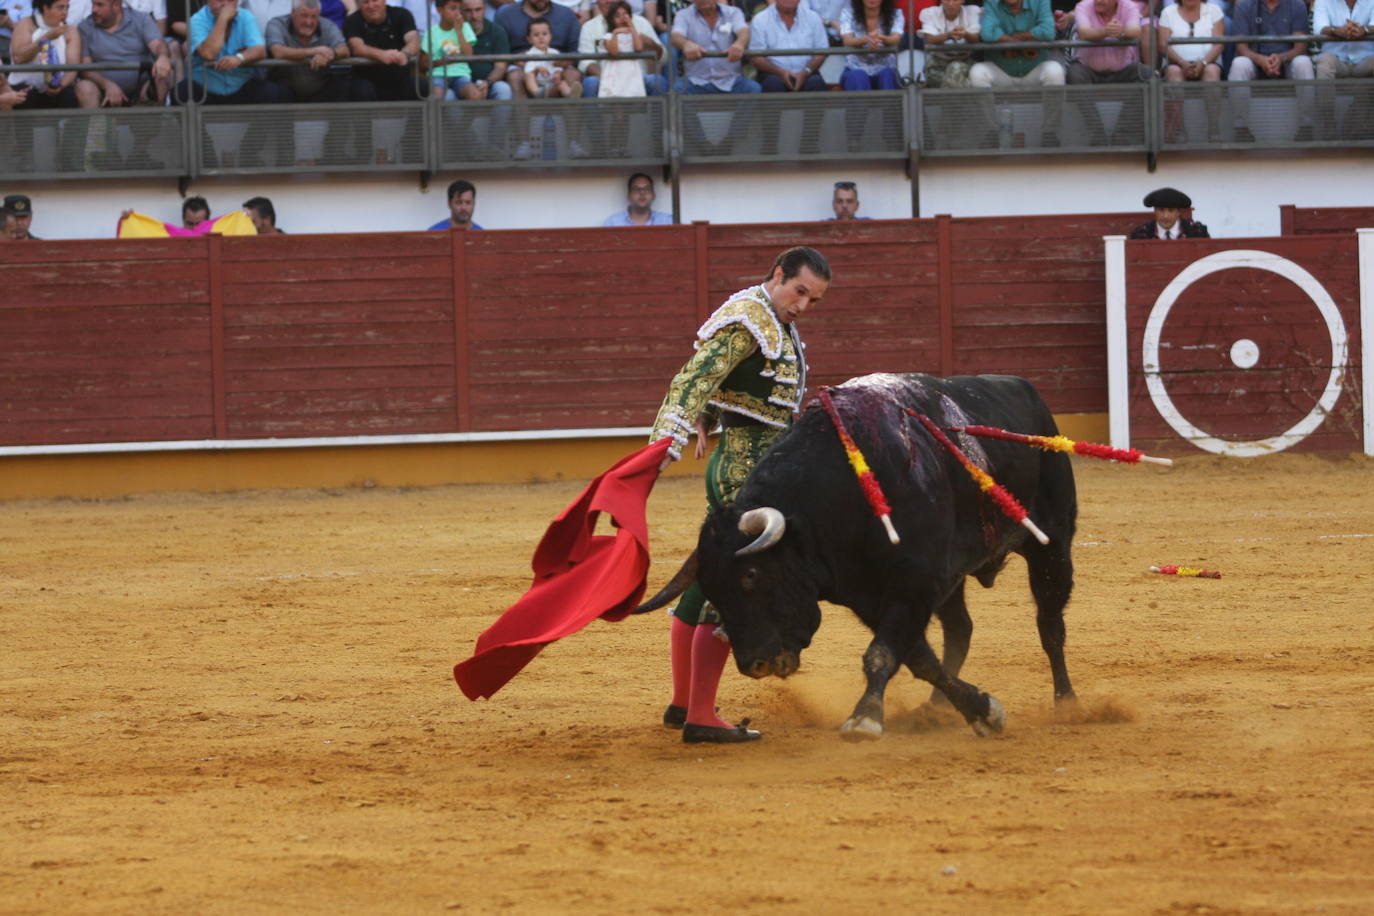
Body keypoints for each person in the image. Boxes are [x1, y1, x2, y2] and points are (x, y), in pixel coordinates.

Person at [650, 246, 831, 744]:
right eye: (799, 292)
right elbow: (694, 377)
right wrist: (668, 439)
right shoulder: (750, 319)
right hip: (747, 471)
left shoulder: (769, 319)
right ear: (778, 276)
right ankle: (702, 716)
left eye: (813, 300)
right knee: (740, 586)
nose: (802, 305)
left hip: (750, 462)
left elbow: (731, 385)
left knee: (706, 581)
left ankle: (684, 704)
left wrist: (709, 416)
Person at [9, 0, 98, 170]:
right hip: (27, 86)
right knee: (22, 97)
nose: (64, 12)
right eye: (60, 7)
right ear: (46, 8)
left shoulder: (70, 30)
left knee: (72, 98)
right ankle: (24, 159)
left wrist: (61, 85)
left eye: (67, 8)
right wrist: (45, 38)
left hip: (58, 87)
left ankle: (71, 158)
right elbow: (19, 58)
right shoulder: (25, 24)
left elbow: (73, 67)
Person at [969, 0, 1065, 146]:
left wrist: (1017, 40)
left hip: (1034, 68)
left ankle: (1049, 133)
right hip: (1001, 69)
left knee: (1055, 71)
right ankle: (992, 133)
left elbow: (1049, 31)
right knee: (977, 73)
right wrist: (1015, 42)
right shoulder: (992, 2)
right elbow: (987, 33)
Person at [1225, 0, 1315, 142]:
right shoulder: (1244, 5)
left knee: (1303, 63)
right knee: (1239, 64)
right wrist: (1260, 60)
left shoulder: (1297, 4)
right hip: (1254, 61)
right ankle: (1241, 128)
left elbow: (1300, 46)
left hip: (1287, 61)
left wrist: (1282, 58)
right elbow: (1241, 47)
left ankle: (1306, 127)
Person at [1067, 0, 1147, 145]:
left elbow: (1136, 30)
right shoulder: (1083, 5)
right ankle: (1097, 133)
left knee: (1146, 73)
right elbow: (1084, 32)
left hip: (1123, 70)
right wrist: (1107, 31)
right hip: (1089, 70)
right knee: (1074, 73)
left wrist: (1122, 31)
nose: (1098, 0)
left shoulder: (1129, 6)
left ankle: (1121, 134)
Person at [78, 0, 173, 108]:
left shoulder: (141, 19)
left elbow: (158, 44)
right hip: (102, 89)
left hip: (141, 87)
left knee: (161, 74)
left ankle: (159, 121)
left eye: (99, 5)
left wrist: (163, 57)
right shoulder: (85, 27)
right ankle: (97, 124)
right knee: (84, 87)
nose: (94, 9)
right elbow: (85, 69)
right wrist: (107, 85)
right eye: (93, 4)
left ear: (117, 5)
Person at [1157, 0, 1224, 142]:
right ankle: (1178, 131)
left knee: (1212, 73)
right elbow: (1162, 45)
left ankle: (1214, 129)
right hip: (1176, 62)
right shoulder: (1168, 12)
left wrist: (1204, 62)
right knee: (1174, 73)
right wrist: (1182, 63)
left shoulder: (1214, 10)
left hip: (1208, 62)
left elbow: (1219, 44)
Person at [1312, 0, 1374, 138]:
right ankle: (1328, 124)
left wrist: (1364, 30)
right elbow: (1319, 28)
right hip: (1337, 58)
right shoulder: (1323, 1)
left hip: (1365, 59)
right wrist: (1337, 31)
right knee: (1324, 62)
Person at [580, 0, 665, 97]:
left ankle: (659, 113)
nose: (609, 1)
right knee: (591, 82)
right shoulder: (589, 27)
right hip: (607, 79)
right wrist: (607, 79)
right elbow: (586, 62)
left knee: (656, 80)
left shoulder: (641, 22)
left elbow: (663, 57)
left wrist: (652, 44)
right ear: (597, 2)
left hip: (638, 79)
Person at [344, 0, 424, 100]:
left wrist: (404, 54)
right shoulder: (352, 20)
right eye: (365, 2)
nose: (371, 6)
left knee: (423, 87)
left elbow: (414, 40)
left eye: (375, 0)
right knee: (362, 91)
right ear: (360, 4)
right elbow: (357, 47)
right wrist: (381, 55)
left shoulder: (402, 14)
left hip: (399, 78)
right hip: (366, 78)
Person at [838, 0, 903, 90]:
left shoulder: (896, 14)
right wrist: (865, 40)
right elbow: (848, 40)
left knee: (887, 75)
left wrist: (880, 38)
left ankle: (889, 104)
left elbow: (895, 39)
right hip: (855, 68)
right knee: (858, 76)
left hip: (886, 68)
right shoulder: (848, 14)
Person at [421, 0, 478, 99]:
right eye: (453, 8)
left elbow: (469, 55)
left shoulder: (465, 27)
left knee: (474, 94)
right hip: (438, 75)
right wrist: (444, 61)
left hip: (461, 74)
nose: (458, 13)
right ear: (440, 10)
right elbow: (423, 64)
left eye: (460, 9)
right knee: (436, 95)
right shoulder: (431, 33)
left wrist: (459, 31)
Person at [919, 0, 981, 88]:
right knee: (957, 80)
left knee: (956, 68)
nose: (951, 4)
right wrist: (949, 35)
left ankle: (946, 101)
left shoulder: (972, 11)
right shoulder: (930, 13)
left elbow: (977, 38)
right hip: (937, 64)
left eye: (955, 0)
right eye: (947, 0)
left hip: (965, 61)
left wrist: (965, 34)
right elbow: (930, 39)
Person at [459, 0, 512, 99]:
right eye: (468, 11)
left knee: (503, 89)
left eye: (478, 10)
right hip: (459, 83)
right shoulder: (453, 31)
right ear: (460, 11)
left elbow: (500, 67)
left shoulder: (497, 31)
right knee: (448, 95)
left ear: (485, 9)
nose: (474, 16)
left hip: (489, 83)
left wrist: (487, 82)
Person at [1129, 186, 1210, 239]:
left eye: (1171, 211)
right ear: (1155, 211)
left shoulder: (1197, 232)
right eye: (1161, 210)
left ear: (1178, 212)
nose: (1166, 216)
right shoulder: (1141, 234)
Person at [602, 172, 672, 225]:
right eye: (636, 189)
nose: (642, 192)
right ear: (628, 195)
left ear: (654, 195)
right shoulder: (613, 223)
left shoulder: (668, 221)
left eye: (647, 188)